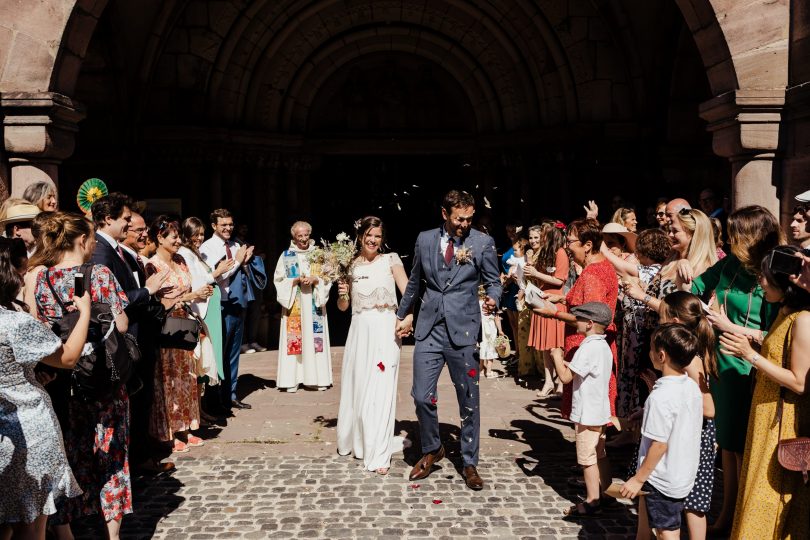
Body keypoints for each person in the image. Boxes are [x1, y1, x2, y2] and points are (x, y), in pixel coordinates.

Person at [33, 212, 131, 539]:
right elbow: (121, 324)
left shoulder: (43, 280)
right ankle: (112, 534)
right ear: (83, 240)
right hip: (103, 380)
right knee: (112, 456)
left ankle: (69, 531)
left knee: (73, 454)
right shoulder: (98, 274)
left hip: (64, 382)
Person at [395, 190, 501, 490]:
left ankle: (469, 463)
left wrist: (493, 299)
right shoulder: (425, 239)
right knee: (421, 395)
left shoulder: (482, 242)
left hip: (464, 330)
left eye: (469, 219)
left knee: (469, 400)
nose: (464, 224)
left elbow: (493, 281)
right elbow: (415, 281)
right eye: (458, 219)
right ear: (444, 214)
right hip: (429, 328)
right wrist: (402, 315)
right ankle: (432, 448)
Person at [690, 205, 783, 533]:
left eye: (735, 236)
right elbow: (697, 286)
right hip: (719, 362)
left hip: (747, 366)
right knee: (726, 444)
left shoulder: (772, 272)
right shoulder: (730, 263)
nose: (729, 242)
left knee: (740, 446)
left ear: (754, 237)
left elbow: (774, 334)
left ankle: (740, 517)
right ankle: (728, 513)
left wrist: (730, 326)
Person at [717, 245, 810, 539]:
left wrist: (750, 355)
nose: (761, 283)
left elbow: (799, 382)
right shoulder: (784, 311)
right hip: (765, 414)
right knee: (756, 494)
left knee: (768, 497)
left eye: (765, 277)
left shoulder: (804, 320)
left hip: (782, 424)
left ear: (785, 282)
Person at [0, 245, 88, 540]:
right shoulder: (14, 323)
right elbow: (68, 357)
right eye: (23, 272)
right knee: (32, 526)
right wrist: (85, 311)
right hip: (27, 431)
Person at [335, 216, 412, 474]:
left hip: (385, 330)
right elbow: (344, 307)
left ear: (383, 238)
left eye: (377, 236)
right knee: (359, 388)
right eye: (369, 234)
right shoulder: (349, 264)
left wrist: (408, 316)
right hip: (359, 331)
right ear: (359, 236)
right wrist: (342, 294)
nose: (373, 240)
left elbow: (408, 293)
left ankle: (378, 453)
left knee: (380, 388)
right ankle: (361, 443)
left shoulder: (391, 261)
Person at [621, 324, 704, 540]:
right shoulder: (691, 387)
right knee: (658, 525)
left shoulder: (661, 397)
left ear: (661, 355)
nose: (648, 353)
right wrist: (646, 412)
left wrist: (638, 479)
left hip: (661, 480)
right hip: (681, 473)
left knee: (666, 531)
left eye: (650, 348)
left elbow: (659, 445)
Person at [533, 218, 619, 423]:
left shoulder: (592, 275)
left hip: (586, 351)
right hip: (596, 349)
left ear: (588, 245)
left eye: (570, 242)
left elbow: (590, 320)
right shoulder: (603, 266)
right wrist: (562, 298)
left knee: (589, 416)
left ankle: (592, 454)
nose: (566, 247)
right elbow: (589, 303)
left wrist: (551, 313)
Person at [147, 216, 213, 453]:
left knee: (188, 377)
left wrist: (199, 293)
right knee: (169, 379)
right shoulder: (152, 265)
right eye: (173, 237)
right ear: (159, 238)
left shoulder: (181, 260)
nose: (177, 240)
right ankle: (170, 431)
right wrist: (188, 297)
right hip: (166, 327)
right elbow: (157, 301)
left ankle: (187, 426)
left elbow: (187, 289)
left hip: (185, 323)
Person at [658, 292, 717, 540]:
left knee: (693, 501)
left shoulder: (691, 360)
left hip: (695, 434)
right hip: (688, 431)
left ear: (675, 321)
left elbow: (708, 408)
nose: (658, 321)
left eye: (661, 317)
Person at [548, 302, 614, 518]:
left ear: (590, 323)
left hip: (587, 414)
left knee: (587, 458)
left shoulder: (588, 347)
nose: (576, 321)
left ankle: (592, 500)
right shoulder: (602, 346)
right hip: (600, 411)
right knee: (600, 454)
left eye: (579, 318)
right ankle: (606, 492)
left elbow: (566, 377)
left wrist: (557, 357)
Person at [604, 228, 670, 425]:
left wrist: (595, 231)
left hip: (638, 333)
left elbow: (615, 263)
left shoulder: (650, 270)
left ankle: (628, 424)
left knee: (633, 377)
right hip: (639, 331)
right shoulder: (661, 269)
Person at [180, 217, 235, 418]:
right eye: (196, 235)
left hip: (209, 309)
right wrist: (217, 272)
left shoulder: (196, 253)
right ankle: (199, 410)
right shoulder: (185, 254)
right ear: (186, 235)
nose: (199, 238)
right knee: (201, 361)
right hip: (200, 309)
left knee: (208, 360)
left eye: (201, 234)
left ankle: (201, 409)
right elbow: (196, 282)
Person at [200, 208, 254, 409]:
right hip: (219, 304)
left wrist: (246, 261)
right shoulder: (208, 247)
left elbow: (241, 271)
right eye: (224, 225)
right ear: (214, 226)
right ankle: (216, 398)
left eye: (230, 224)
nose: (228, 228)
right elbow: (217, 275)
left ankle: (231, 395)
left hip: (237, 301)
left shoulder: (236, 244)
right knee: (218, 352)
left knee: (233, 351)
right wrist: (239, 260)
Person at [272, 220, 332, 392]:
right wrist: (295, 280)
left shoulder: (319, 254)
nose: (304, 239)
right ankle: (292, 379)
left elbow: (329, 277)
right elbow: (278, 280)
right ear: (294, 237)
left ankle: (318, 379)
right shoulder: (286, 256)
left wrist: (316, 280)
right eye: (300, 236)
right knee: (295, 340)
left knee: (315, 340)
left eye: (306, 235)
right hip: (295, 304)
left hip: (314, 303)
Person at [525, 222, 569, 397]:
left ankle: (560, 381)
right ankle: (548, 381)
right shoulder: (544, 252)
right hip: (541, 298)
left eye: (543, 233)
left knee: (556, 345)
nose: (540, 236)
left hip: (555, 300)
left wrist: (536, 273)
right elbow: (538, 277)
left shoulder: (561, 253)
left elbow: (559, 280)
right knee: (545, 345)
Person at [517, 224, 548, 377]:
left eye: (536, 237)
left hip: (540, 296)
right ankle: (527, 369)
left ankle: (543, 371)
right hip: (527, 295)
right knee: (525, 332)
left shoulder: (545, 254)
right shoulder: (527, 253)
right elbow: (523, 277)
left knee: (540, 334)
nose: (533, 240)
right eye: (531, 237)